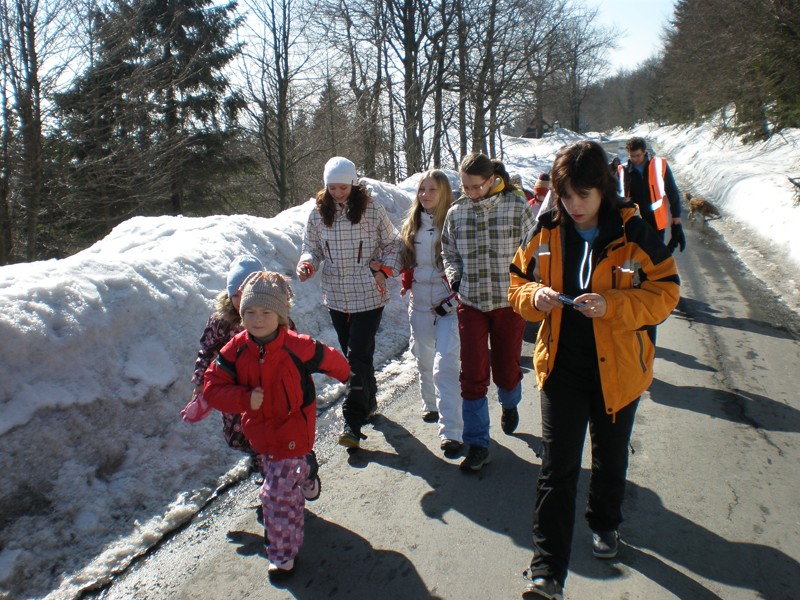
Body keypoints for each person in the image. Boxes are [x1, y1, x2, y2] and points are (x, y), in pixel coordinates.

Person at [508, 140, 680, 599]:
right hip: (561, 367)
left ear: (602, 188)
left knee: (609, 457)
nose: (574, 205)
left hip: (619, 369)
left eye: (583, 194)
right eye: (566, 195)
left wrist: (612, 304)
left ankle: (605, 523)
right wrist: (533, 299)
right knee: (557, 468)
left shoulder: (634, 232)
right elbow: (517, 282)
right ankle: (546, 572)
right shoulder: (545, 229)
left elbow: (666, 293)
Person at [203, 271, 350, 581]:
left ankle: (282, 555)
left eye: (266, 312)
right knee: (284, 485)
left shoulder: (297, 346)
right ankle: (306, 472)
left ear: (281, 315)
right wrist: (243, 398)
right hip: (260, 436)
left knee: (274, 495)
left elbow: (331, 359)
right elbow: (211, 387)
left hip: (294, 432)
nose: (257, 319)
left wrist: (353, 378)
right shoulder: (235, 349)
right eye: (250, 312)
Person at [296, 156, 402, 450]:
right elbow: (311, 248)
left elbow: (394, 242)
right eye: (332, 188)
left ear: (353, 184)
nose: (338, 193)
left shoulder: (370, 209)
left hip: (369, 294)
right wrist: (307, 264)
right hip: (336, 296)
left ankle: (352, 422)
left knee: (355, 358)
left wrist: (384, 271)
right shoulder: (318, 213)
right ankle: (367, 400)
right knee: (358, 355)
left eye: (343, 187)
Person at [441, 153, 537, 472]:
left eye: (474, 187)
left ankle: (510, 404)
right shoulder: (457, 213)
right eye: (464, 187)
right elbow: (449, 251)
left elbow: (534, 247)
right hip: (471, 303)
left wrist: (529, 280)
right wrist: (455, 277)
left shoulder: (516, 206)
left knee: (506, 368)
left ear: (491, 180)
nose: (469, 193)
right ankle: (478, 443)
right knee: (472, 373)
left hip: (509, 303)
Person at [182, 254, 265, 476]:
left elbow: (291, 341)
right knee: (236, 435)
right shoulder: (223, 320)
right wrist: (201, 379)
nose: (241, 300)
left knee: (263, 428)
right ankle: (259, 456)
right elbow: (207, 349)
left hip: (264, 385)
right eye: (236, 295)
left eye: (247, 293)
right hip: (231, 388)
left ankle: (271, 467)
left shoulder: (269, 316)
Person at [399, 170, 463, 458]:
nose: (425, 194)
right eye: (422, 189)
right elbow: (402, 259)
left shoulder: (455, 222)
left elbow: (463, 266)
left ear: (445, 192)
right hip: (420, 305)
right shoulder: (411, 224)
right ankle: (431, 405)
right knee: (423, 359)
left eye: (432, 189)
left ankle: (451, 433)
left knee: (445, 366)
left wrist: (452, 300)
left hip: (448, 307)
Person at [619, 136, 686, 254]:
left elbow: (671, 190)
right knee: (639, 257)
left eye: (638, 155)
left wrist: (676, 215)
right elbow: (617, 195)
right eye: (632, 156)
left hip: (655, 219)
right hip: (635, 220)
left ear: (644, 152)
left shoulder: (659, 165)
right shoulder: (623, 171)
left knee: (656, 255)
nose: (635, 159)